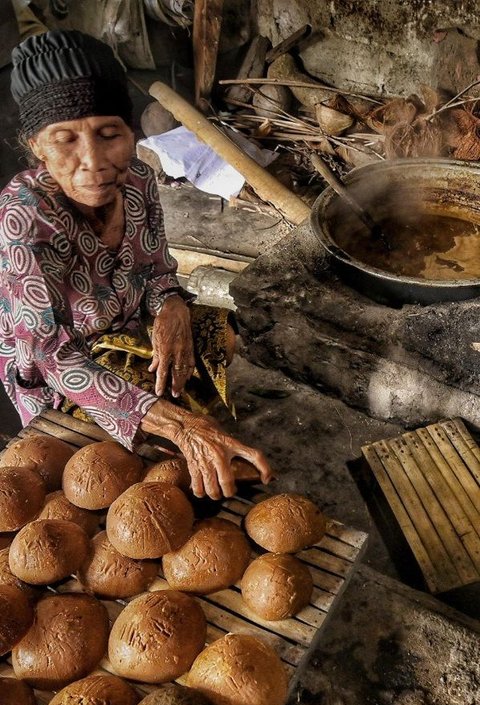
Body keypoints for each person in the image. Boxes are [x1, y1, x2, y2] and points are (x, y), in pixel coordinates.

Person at [0, 29, 272, 499]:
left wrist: (171, 307)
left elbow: (156, 271)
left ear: (131, 133)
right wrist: (181, 427)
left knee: (218, 333)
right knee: (120, 471)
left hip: (131, 332)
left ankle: (177, 420)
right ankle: (160, 435)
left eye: (109, 135)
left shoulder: (139, 181)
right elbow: (50, 355)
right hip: (63, 370)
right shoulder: (25, 217)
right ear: (37, 148)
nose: (95, 162)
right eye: (65, 141)